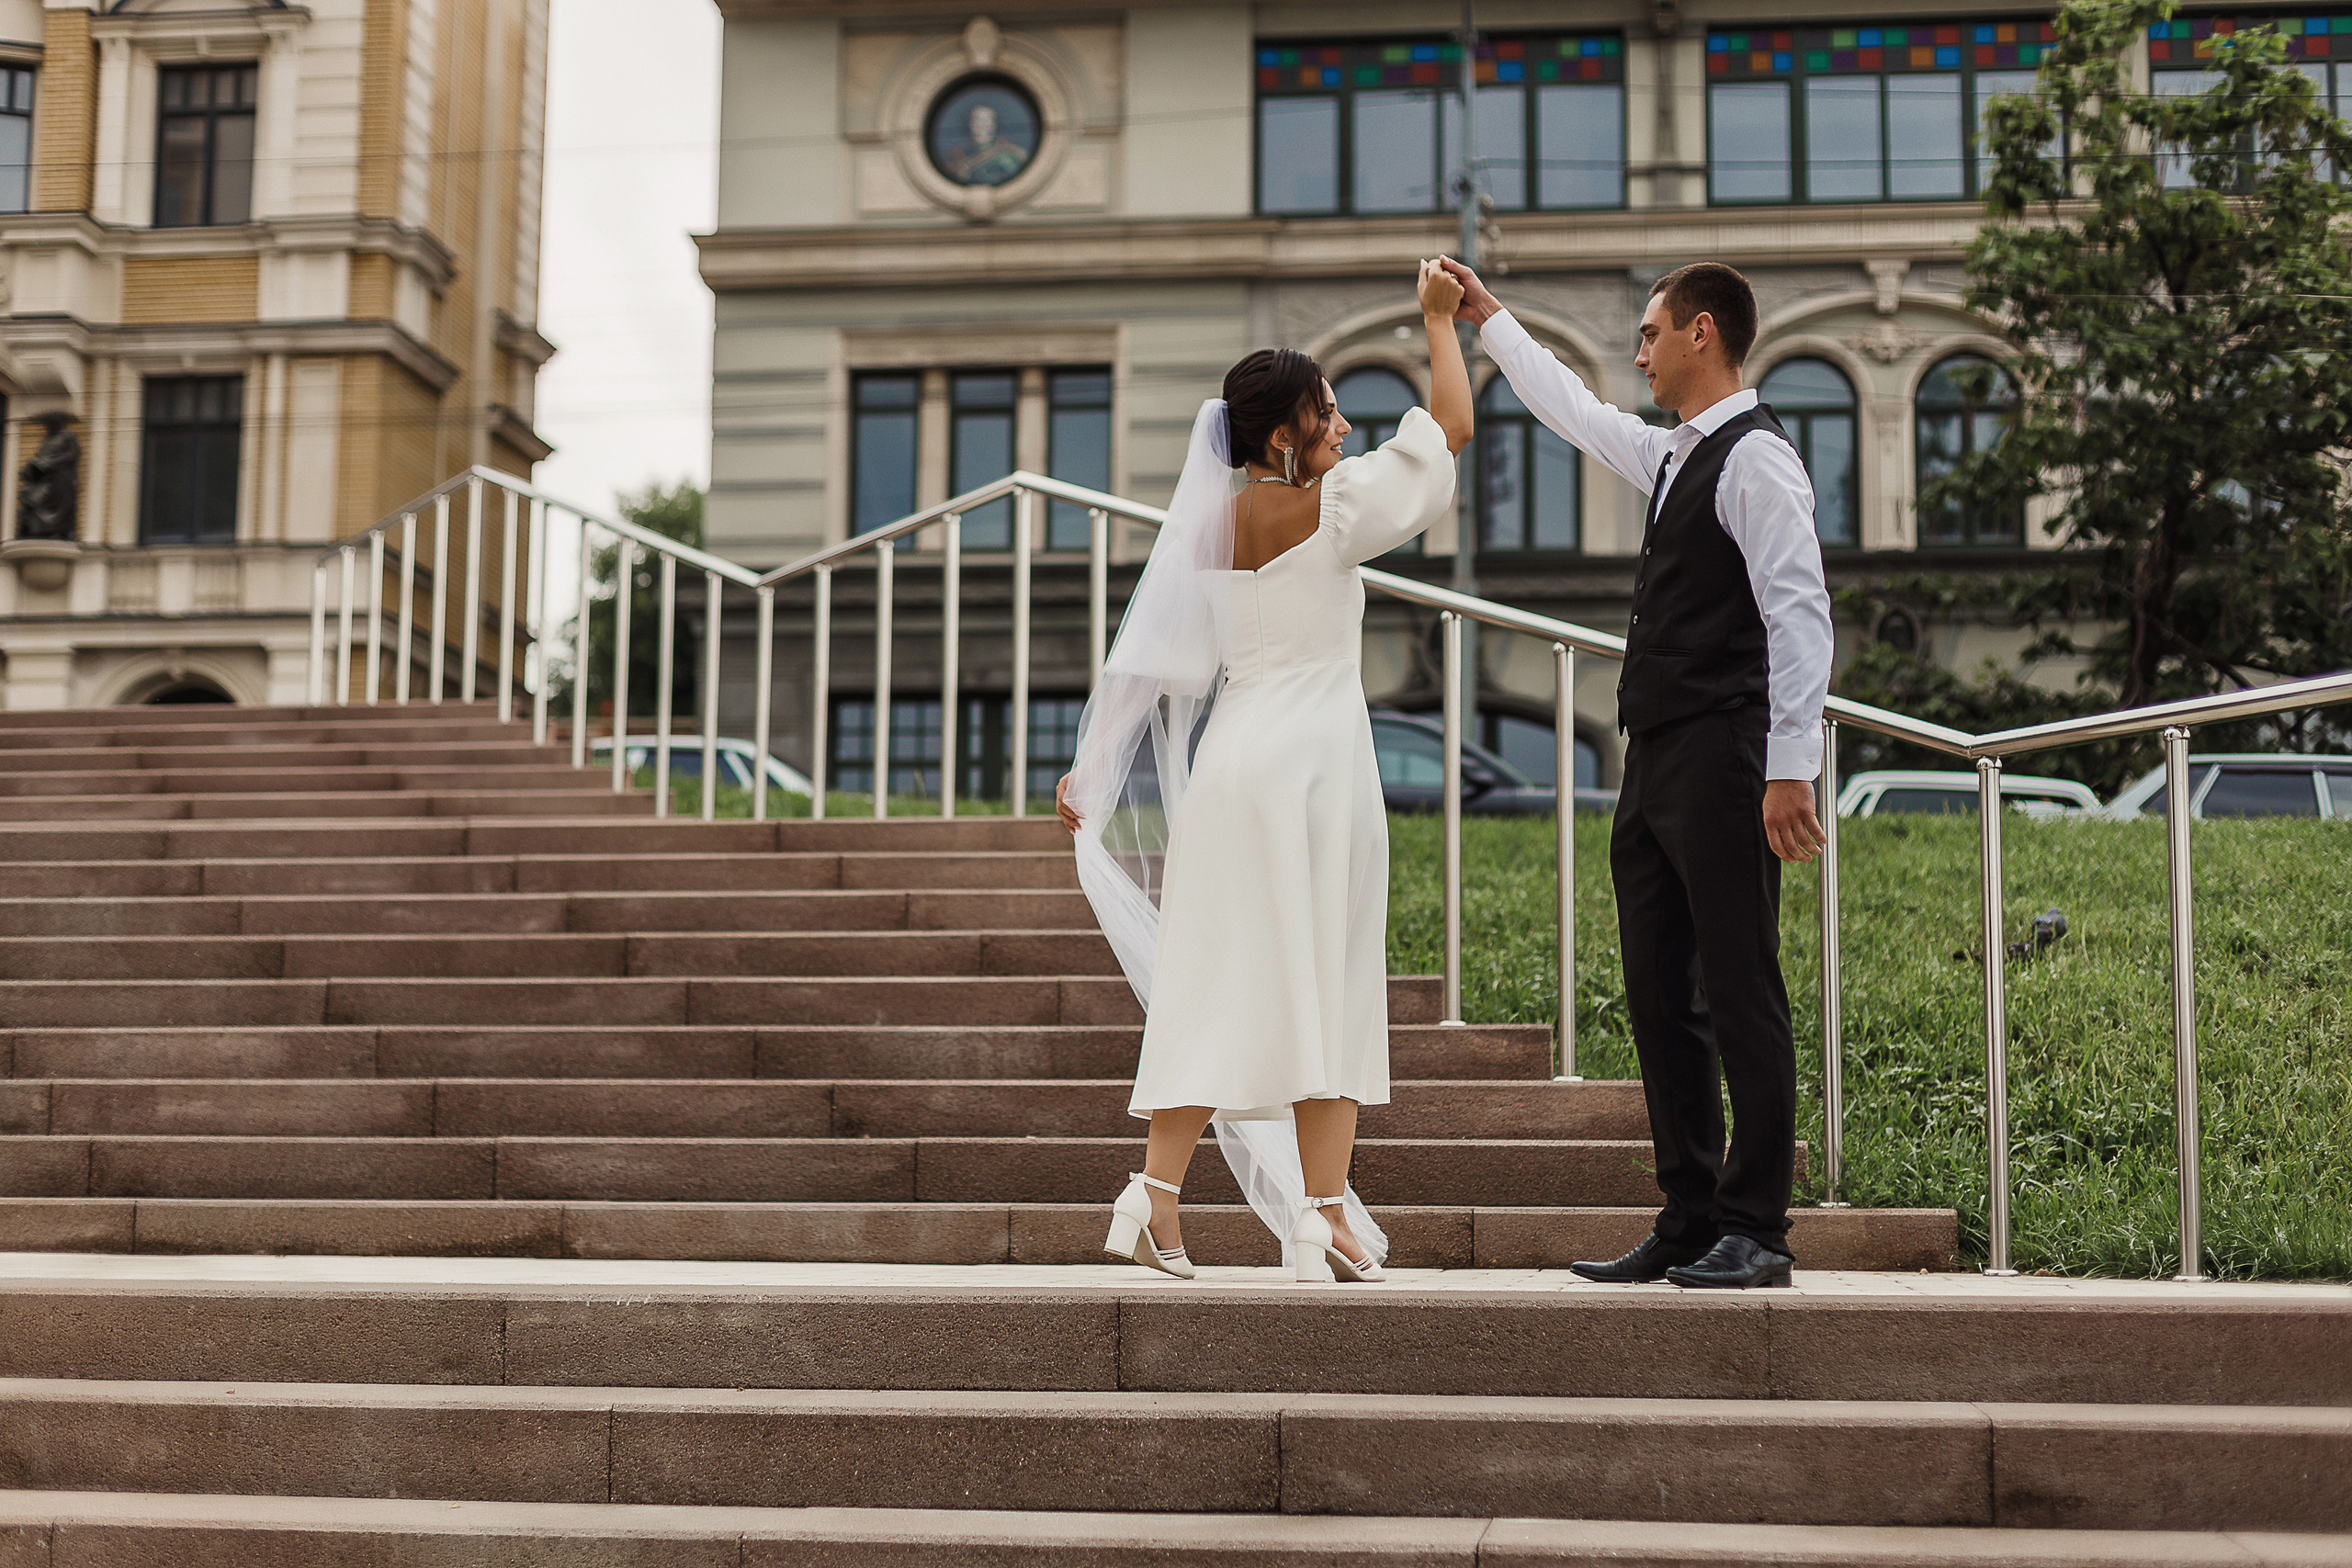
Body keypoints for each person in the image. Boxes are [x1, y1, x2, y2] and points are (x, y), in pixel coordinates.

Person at [1056, 260, 1473, 1283]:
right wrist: (1437, 322)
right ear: (1282, 437)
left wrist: (1092, 765)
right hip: (1317, 774)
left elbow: (1150, 661)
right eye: (1324, 412)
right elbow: (1450, 428)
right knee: (1326, 987)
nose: (1340, 424)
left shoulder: (1204, 530)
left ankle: (1154, 1198)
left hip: (1230, 771)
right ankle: (1318, 1216)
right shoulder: (1334, 507)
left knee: (1208, 990)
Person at [1439, 255, 1833, 1291]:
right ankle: (1689, 1212)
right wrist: (1490, 320)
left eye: (1651, 335)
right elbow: (1571, 411)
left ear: (1703, 332)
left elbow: (1799, 615)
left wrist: (1790, 765)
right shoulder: (1670, 458)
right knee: (1660, 992)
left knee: (1740, 986)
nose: (1640, 353)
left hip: (1727, 753)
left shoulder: (1756, 461)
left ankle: (1758, 1227)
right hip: (1654, 755)